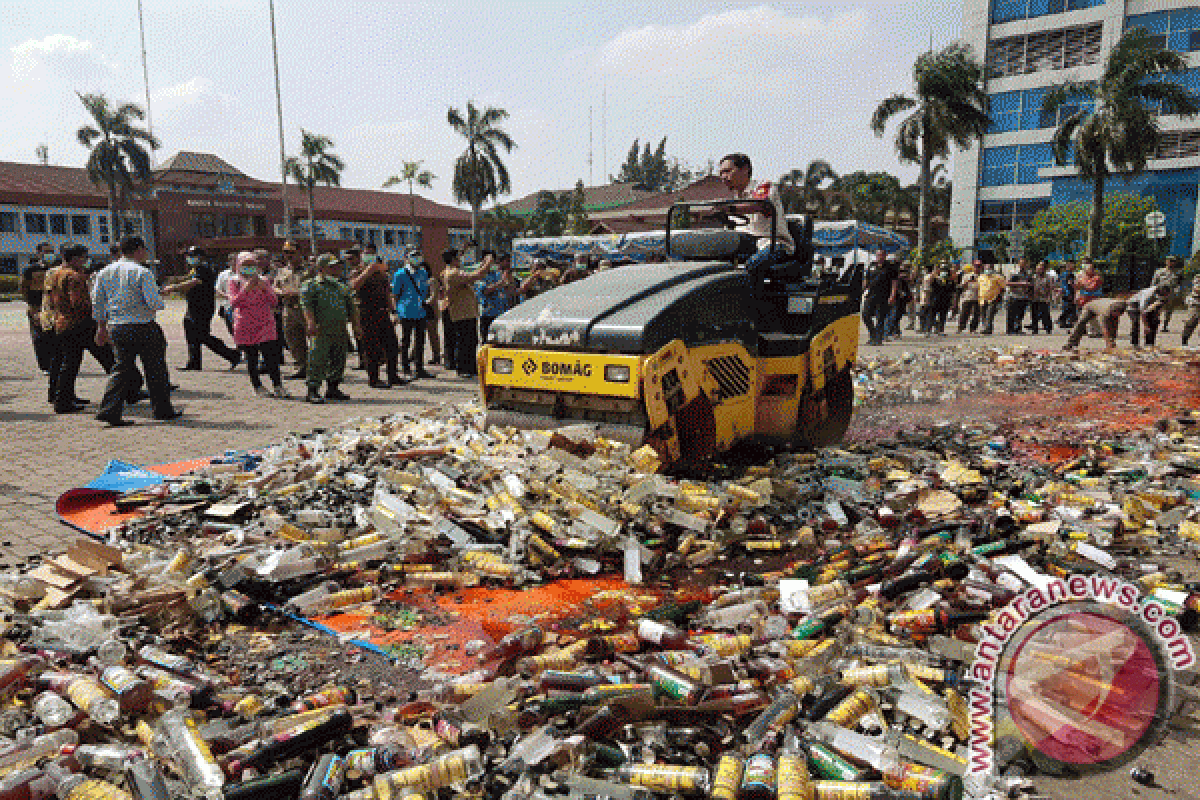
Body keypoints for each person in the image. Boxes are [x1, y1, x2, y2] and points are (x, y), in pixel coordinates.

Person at [91, 236, 181, 426]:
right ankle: (163, 410)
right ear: (138, 249)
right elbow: (154, 303)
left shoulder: (104, 272)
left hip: (117, 325)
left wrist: (101, 327)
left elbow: (98, 302)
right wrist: (159, 296)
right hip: (143, 324)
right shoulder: (142, 272)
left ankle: (109, 409)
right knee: (156, 369)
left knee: (121, 369)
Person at [162, 246, 240, 371]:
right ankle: (194, 362)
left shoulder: (204, 268)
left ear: (201, 256)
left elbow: (195, 282)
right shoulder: (195, 269)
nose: (189, 258)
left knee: (201, 334)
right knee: (191, 332)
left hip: (202, 307)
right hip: (193, 306)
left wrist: (173, 287)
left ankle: (231, 354)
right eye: (188, 256)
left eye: (192, 255)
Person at [717, 153, 794, 274]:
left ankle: (752, 292)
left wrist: (727, 209)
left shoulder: (763, 187)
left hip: (772, 244)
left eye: (727, 171)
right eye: (721, 173)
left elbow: (758, 205)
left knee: (752, 265)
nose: (723, 177)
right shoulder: (735, 199)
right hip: (745, 245)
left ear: (745, 170)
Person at [301, 254, 362, 404]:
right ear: (322, 268)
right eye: (332, 266)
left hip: (340, 328)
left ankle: (333, 388)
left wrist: (356, 326)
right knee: (317, 359)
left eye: (338, 266)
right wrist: (310, 323)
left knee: (339, 358)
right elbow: (306, 305)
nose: (338, 269)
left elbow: (352, 308)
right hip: (321, 329)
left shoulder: (341, 286)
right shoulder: (311, 285)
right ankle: (312, 390)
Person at [41, 244, 94, 413]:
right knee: (71, 364)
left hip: (60, 321)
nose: (85, 261)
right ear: (76, 258)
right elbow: (77, 302)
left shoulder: (55, 274)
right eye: (84, 258)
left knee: (64, 362)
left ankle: (63, 397)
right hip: (76, 323)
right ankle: (63, 402)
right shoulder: (74, 277)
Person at [228, 251, 287, 398]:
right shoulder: (234, 281)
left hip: (265, 323)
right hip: (245, 324)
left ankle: (278, 385)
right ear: (238, 265)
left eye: (252, 265)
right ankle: (257, 386)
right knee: (251, 356)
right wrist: (246, 288)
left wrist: (265, 288)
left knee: (270, 356)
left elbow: (273, 301)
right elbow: (234, 302)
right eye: (245, 265)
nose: (249, 268)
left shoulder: (264, 280)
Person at [349, 244, 403, 389]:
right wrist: (367, 272)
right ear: (362, 255)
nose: (369, 256)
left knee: (392, 345)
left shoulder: (381, 272)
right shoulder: (357, 271)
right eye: (366, 253)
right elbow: (353, 286)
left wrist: (394, 311)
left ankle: (393, 376)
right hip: (366, 312)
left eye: (372, 253)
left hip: (382, 312)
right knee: (371, 347)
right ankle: (374, 379)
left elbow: (387, 292)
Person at [441, 247, 492, 378]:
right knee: (464, 341)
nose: (460, 260)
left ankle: (470, 367)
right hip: (461, 313)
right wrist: (488, 262)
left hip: (466, 312)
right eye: (458, 258)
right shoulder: (452, 273)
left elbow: (473, 272)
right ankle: (463, 368)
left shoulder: (455, 272)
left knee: (471, 341)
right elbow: (477, 275)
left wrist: (482, 265)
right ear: (453, 260)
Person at [273, 241, 311, 380]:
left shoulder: (309, 270)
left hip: (306, 309)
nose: (288, 255)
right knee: (293, 340)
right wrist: (281, 292)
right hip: (289, 309)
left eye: (291, 252)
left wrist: (296, 293)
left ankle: (320, 367)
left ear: (300, 252)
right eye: (285, 252)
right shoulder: (283, 270)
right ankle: (302, 367)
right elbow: (275, 286)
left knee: (314, 339)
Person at [392, 248, 432, 379]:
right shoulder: (400, 274)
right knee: (406, 340)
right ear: (407, 258)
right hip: (405, 311)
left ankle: (419, 368)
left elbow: (425, 291)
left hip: (420, 311)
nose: (417, 258)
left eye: (419, 256)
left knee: (420, 341)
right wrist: (396, 312)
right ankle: (405, 367)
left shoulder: (423, 273)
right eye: (414, 256)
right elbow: (396, 294)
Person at [21, 242, 55, 373]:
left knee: (54, 337)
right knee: (39, 338)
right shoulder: (30, 270)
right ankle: (45, 366)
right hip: (36, 307)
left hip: (53, 308)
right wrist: (32, 307)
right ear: (38, 253)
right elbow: (23, 288)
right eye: (46, 251)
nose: (49, 254)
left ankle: (55, 363)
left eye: (51, 251)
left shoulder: (57, 268)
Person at [477, 251, 518, 341]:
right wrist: (501, 283)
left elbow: (511, 290)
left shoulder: (498, 274)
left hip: (501, 314)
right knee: (487, 342)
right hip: (488, 315)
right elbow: (486, 291)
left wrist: (509, 278)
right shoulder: (481, 275)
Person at [862, 249, 897, 346]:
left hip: (884, 295)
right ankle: (873, 334)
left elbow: (894, 282)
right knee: (865, 315)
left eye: (881, 255)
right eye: (878, 255)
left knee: (880, 318)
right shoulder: (872, 265)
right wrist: (863, 289)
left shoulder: (890, 267)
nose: (879, 257)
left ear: (885, 256)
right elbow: (866, 279)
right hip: (871, 294)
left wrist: (892, 295)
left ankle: (878, 339)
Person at [1126, 282, 1172, 349]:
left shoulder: (1165, 294)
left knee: (1154, 323)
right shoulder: (1148, 294)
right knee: (1135, 323)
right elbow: (1143, 311)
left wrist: (1156, 317)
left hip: (1149, 306)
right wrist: (1146, 325)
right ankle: (1134, 344)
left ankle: (1149, 344)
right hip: (1134, 304)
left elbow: (1159, 307)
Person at [1153, 256, 1185, 331]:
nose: (1171, 262)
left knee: (1168, 311)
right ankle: (1155, 325)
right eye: (1170, 261)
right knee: (1157, 310)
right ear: (1166, 261)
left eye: (1173, 261)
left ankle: (1164, 326)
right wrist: (1154, 292)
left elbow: (1180, 284)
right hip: (1160, 293)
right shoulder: (1159, 272)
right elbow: (1154, 283)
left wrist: (1178, 292)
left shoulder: (1178, 273)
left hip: (1171, 293)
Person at [1075, 259, 1104, 336]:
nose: (1089, 271)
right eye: (1087, 270)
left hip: (1094, 300)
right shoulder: (1083, 277)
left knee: (1093, 317)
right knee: (1084, 317)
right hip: (1083, 300)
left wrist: (1083, 285)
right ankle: (1089, 331)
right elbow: (1077, 287)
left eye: (1090, 269)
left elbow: (1092, 287)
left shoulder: (1096, 277)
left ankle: (1097, 331)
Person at [1005, 259, 1032, 335]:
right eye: (1022, 263)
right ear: (1018, 264)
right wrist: (1020, 284)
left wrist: (1028, 286)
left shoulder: (1028, 274)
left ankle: (1018, 329)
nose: (1023, 265)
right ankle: (1010, 330)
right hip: (1013, 296)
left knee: (1020, 314)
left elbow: (1031, 283)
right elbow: (1007, 283)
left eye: (1025, 264)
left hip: (1023, 296)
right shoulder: (1013, 272)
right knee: (1011, 314)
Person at [977, 264, 1006, 335]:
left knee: (989, 314)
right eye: (986, 268)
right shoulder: (981, 277)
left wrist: (999, 296)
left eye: (989, 268)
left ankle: (987, 329)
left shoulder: (998, 277)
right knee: (983, 315)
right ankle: (985, 328)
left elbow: (1003, 287)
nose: (988, 269)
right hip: (982, 299)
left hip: (993, 298)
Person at [1029, 261, 1055, 334]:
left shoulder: (1048, 277)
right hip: (1034, 298)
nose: (1040, 268)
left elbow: (1050, 287)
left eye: (1042, 266)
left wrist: (1048, 297)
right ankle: (1034, 328)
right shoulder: (1033, 277)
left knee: (1045, 313)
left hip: (1044, 298)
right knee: (1034, 314)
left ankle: (1048, 328)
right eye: (1039, 266)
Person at [215, 254, 236, 336]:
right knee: (232, 329)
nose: (234, 262)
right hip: (228, 306)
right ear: (228, 262)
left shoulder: (244, 273)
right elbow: (217, 289)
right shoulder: (223, 274)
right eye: (232, 260)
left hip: (242, 306)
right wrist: (227, 296)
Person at [957, 263, 981, 334]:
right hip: (967, 297)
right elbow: (961, 286)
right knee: (964, 313)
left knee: (976, 314)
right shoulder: (967, 276)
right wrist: (969, 281)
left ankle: (973, 329)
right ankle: (961, 328)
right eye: (976, 266)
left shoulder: (982, 276)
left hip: (978, 297)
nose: (977, 268)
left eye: (979, 267)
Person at [1179, 274, 1200, 346]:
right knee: (1191, 323)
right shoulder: (1198, 277)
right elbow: (1197, 289)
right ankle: (1184, 342)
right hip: (1196, 302)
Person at [1057, 260, 1078, 328]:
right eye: (1070, 265)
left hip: (1067, 293)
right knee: (1068, 308)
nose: (1072, 266)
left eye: (1073, 265)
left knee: (1069, 308)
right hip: (1067, 293)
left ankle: (1064, 322)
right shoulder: (1068, 274)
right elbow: (1067, 285)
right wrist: (1069, 293)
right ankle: (1062, 320)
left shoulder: (1066, 274)